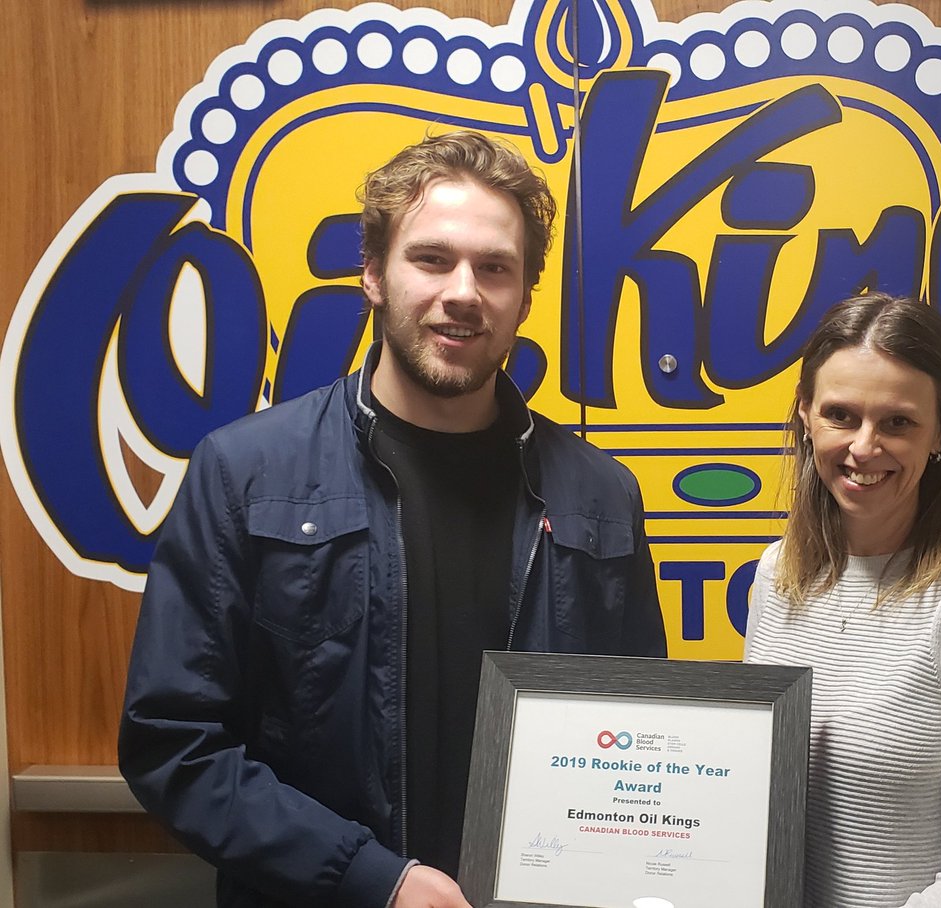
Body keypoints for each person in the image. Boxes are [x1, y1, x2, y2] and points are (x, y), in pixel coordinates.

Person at [119, 131, 666, 908]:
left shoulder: (602, 497)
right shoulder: (244, 474)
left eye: (494, 267)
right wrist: (370, 879)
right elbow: (175, 744)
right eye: (432, 259)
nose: (463, 292)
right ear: (374, 274)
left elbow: (640, 741)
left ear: (524, 297)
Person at [743, 292, 941, 907]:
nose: (864, 447)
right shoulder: (778, 575)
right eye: (840, 414)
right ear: (805, 415)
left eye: (897, 423)